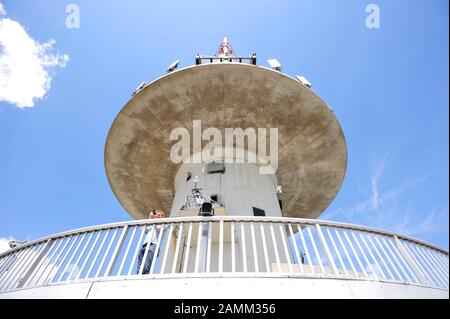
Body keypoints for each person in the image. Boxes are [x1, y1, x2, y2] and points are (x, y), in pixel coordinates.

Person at [137, 209, 166, 275]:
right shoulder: (151, 225)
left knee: (147, 266)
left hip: (153, 245)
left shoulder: (164, 224)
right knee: (140, 266)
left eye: (159, 215)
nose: (157, 216)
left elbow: (159, 228)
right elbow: (143, 229)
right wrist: (150, 217)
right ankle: (139, 277)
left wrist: (157, 219)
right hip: (145, 245)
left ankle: (146, 278)